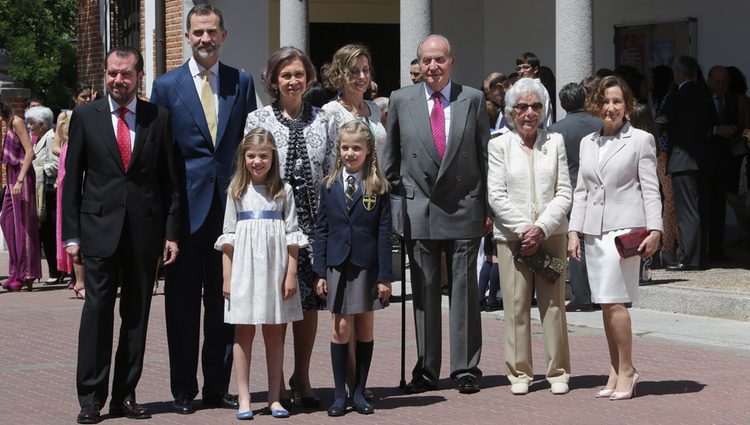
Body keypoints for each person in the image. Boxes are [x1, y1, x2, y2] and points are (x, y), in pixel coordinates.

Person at [63, 46, 180, 424]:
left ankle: (125, 395)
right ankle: (91, 398)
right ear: (105, 75)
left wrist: (171, 234)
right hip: (98, 232)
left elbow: (170, 183)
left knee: (136, 317)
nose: (118, 80)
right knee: (97, 313)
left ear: (138, 76)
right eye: (112, 73)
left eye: (125, 74)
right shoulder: (85, 116)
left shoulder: (158, 118)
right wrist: (71, 236)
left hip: (144, 234)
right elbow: (71, 182)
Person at [150, 4, 257, 414]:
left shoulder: (241, 82)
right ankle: (182, 390)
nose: (205, 39)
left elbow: (251, 147)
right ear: (187, 36)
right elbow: (161, 159)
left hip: (229, 214)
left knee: (224, 302)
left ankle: (217, 386)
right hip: (184, 215)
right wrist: (166, 225)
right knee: (180, 306)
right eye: (197, 32)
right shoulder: (165, 86)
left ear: (224, 35)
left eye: (212, 32)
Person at [382, 34, 489, 395]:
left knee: (464, 290)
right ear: (419, 64)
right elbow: (391, 162)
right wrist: (396, 205)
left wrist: (486, 206)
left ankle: (466, 367)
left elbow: (484, 155)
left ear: (451, 62)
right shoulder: (401, 99)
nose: (432, 67)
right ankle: (427, 367)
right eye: (426, 61)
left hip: (464, 205)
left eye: (439, 60)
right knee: (424, 291)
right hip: (419, 209)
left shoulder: (473, 99)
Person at [244, 46, 336, 408]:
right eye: (285, 75)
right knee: (278, 303)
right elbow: (252, 170)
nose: (293, 81)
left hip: (313, 227)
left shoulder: (324, 119)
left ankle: (303, 376)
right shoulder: (258, 119)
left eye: (299, 74)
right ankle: (276, 380)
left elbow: (330, 171)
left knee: (309, 304)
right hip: (273, 226)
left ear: (309, 77)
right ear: (272, 80)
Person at [568, 75, 662, 401]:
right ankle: (615, 367)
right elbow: (581, 191)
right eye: (605, 101)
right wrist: (573, 231)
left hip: (625, 232)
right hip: (594, 232)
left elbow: (651, 187)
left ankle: (629, 369)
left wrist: (656, 229)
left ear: (628, 106)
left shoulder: (641, 140)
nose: (611, 108)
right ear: (596, 105)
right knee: (605, 305)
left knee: (613, 301)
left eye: (617, 101)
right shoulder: (587, 142)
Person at [487, 77, 572, 395]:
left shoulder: (556, 142)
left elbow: (564, 192)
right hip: (512, 238)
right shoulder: (498, 145)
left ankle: (559, 371)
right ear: (511, 111)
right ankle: (519, 373)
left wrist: (542, 228)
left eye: (536, 106)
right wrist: (526, 229)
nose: (529, 112)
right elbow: (496, 196)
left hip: (551, 234)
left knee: (554, 306)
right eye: (522, 106)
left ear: (544, 109)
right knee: (516, 305)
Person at [216, 128, 306, 419]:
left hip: (275, 269)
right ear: (244, 158)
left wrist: (290, 274)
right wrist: (227, 277)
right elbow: (227, 237)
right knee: (243, 332)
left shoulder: (284, 191)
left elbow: (293, 235)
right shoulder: (236, 191)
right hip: (244, 270)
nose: (257, 161)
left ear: (273, 158)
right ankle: (244, 397)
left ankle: (274, 397)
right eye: (252, 156)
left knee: (275, 331)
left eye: (263, 156)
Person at [314, 120, 392, 416]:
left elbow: (384, 234)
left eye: (356, 148)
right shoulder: (329, 185)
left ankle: (359, 392)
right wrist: (319, 271)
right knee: (340, 328)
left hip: (366, 266)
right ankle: (338, 395)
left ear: (368, 150)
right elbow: (322, 230)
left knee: (364, 328)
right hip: (336, 265)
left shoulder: (377, 187)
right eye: (345, 147)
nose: (350, 153)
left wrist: (385, 276)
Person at [655, 56, 717, 271]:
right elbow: (712, 123)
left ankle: (688, 258)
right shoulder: (706, 95)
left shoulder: (676, 96)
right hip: (704, 159)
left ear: (677, 74)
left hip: (682, 160)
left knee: (687, 211)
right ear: (696, 74)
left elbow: (660, 122)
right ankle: (701, 257)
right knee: (701, 208)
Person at [548, 82, 602, 312]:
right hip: (598, 187)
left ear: (562, 103)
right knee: (598, 239)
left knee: (576, 241)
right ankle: (602, 292)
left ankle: (582, 295)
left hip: (569, 188)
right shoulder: (599, 124)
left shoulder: (556, 130)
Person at [54, 82, 94, 299]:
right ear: (74, 98)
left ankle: (86, 277)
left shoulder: (97, 113)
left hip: (90, 167)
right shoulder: (65, 117)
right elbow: (55, 145)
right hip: (69, 165)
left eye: (89, 96)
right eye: (83, 96)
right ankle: (78, 279)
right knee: (71, 220)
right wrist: (70, 151)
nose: (86, 100)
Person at [0, 93, 41, 292]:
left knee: (23, 227)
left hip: (21, 175)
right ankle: (15, 271)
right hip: (11, 175)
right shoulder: (7, 123)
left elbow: (29, 152)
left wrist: (20, 180)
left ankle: (27, 275)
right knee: (6, 220)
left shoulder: (16, 121)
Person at [322, 45, 386, 157]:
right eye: (354, 71)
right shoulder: (330, 111)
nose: (362, 76)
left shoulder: (374, 108)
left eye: (365, 70)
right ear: (341, 74)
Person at [27, 106, 61, 285]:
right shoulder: (38, 138)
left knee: (49, 232)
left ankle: (56, 271)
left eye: (32, 122)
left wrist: (36, 170)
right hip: (41, 190)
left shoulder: (49, 137)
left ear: (41, 124)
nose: (29, 126)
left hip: (48, 191)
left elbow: (56, 164)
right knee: (45, 232)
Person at [516, 52, 553, 128]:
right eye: (519, 68)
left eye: (525, 67)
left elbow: (541, 117)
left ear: (535, 69)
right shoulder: (522, 87)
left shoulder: (538, 89)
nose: (521, 71)